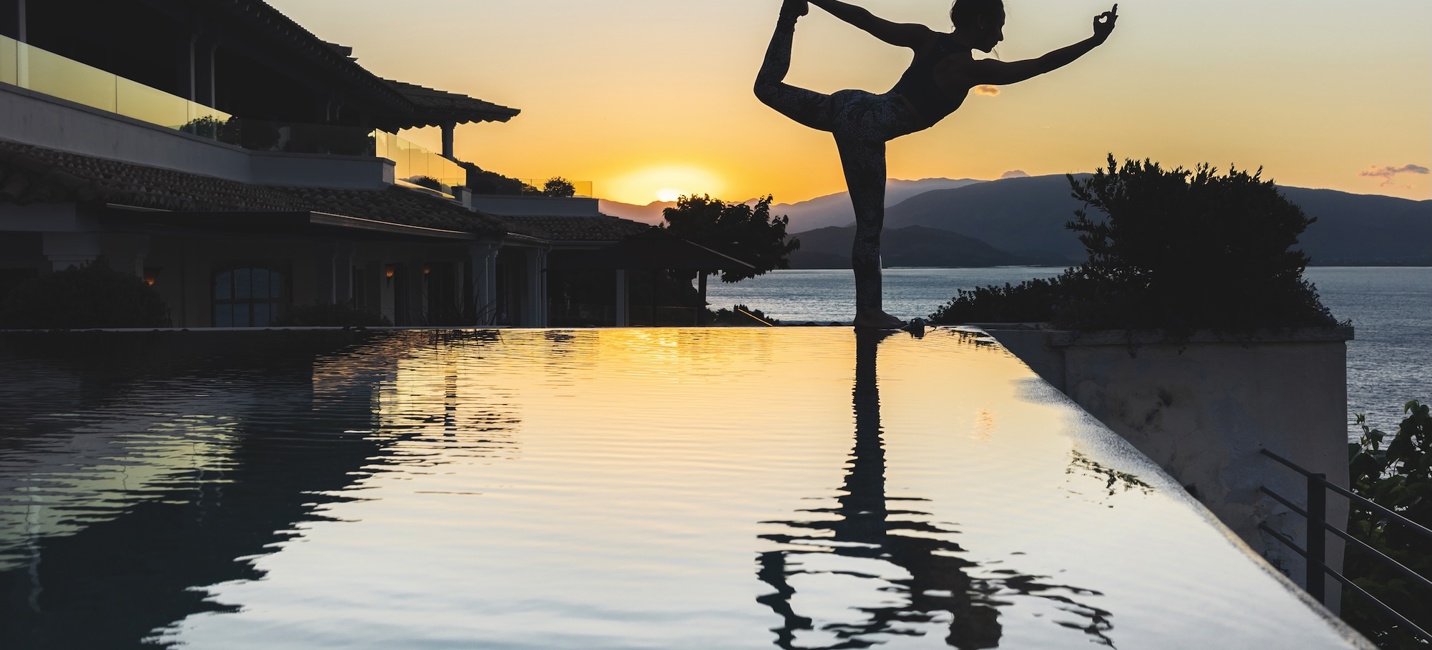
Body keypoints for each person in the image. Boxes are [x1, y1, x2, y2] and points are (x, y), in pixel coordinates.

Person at [754, 0, 1118, 329]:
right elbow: (1039, 66)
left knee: (767, 88)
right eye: (999, 25)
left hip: (850, 103)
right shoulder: (966, 68)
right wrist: (1093, 42)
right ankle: (868, 313)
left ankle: (790, 15)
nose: (1001, 34)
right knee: (869, 226)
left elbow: (867, 20)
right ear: (980, 21)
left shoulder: (925, 38)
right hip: (867, 126)